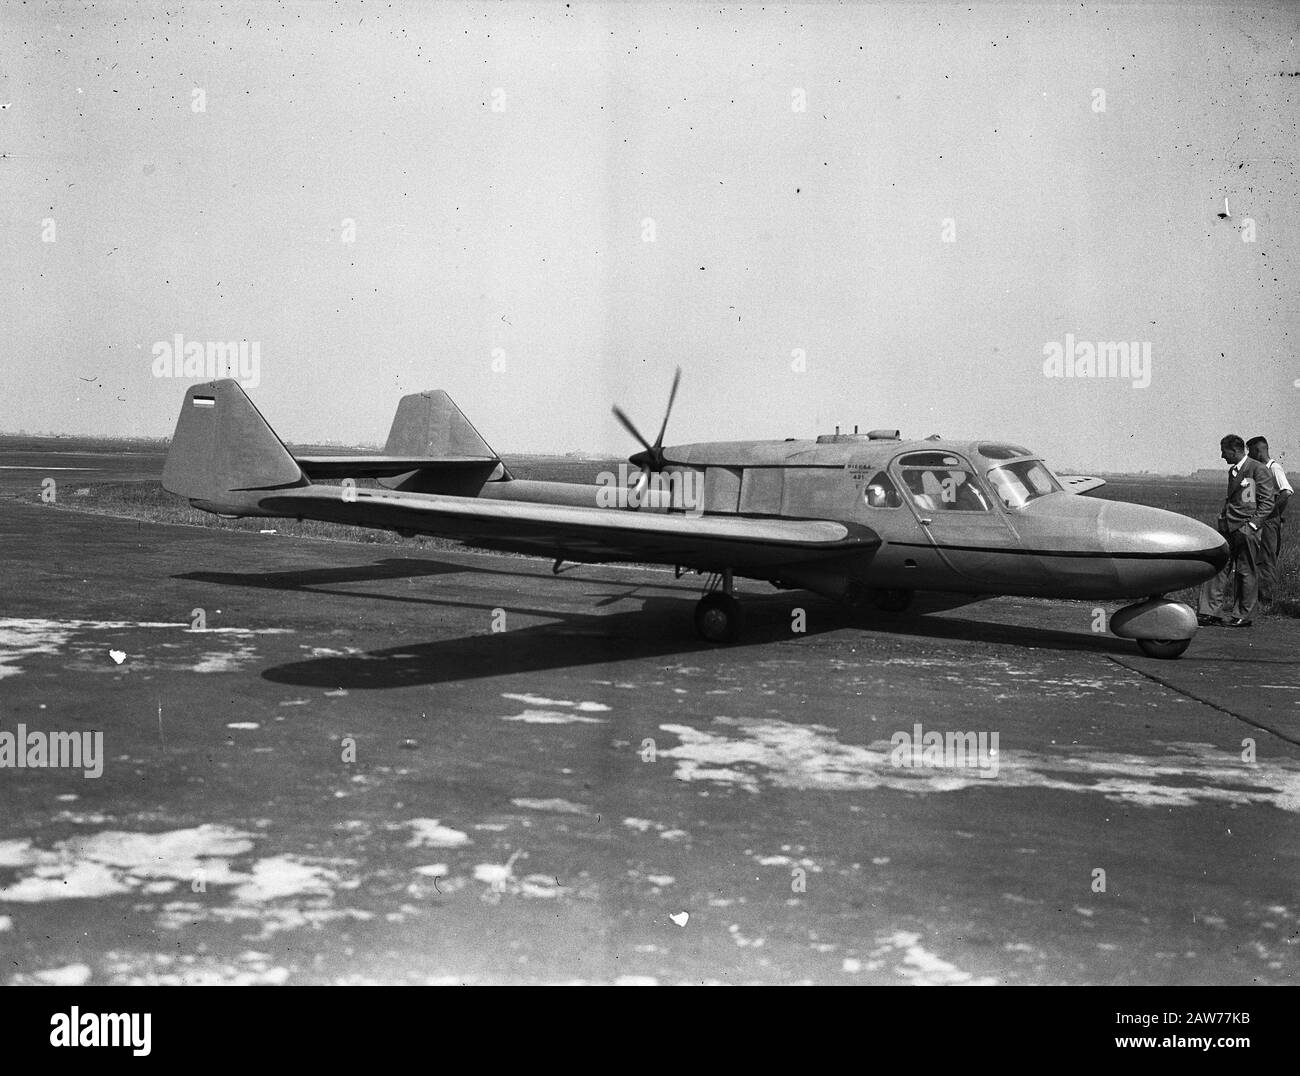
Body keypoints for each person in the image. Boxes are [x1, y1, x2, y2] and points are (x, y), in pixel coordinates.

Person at [1197, 434, 1275, 627]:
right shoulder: (1233, 471)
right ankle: (1209, 611)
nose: (1222, 456)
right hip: (1228, 528)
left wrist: (1252, 526)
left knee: (1246, 570)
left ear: (1234, 450)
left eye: (1224, 452)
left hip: (1246, 529)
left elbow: (1267, 503)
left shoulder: (1259, 470)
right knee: (1217, 567)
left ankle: (1243, 614)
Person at [1246, 436, 1292, 603]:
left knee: (1267, 559)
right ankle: (1257, 596)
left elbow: (1286, 492)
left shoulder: (1274, 468)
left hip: (1268, 520)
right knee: (1257, 557)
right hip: (1261, 519)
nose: (1248, 455)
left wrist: (1270, 511)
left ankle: (1266, 600)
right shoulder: (1260, 469)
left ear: (1258, 451)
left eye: (1250, 451)